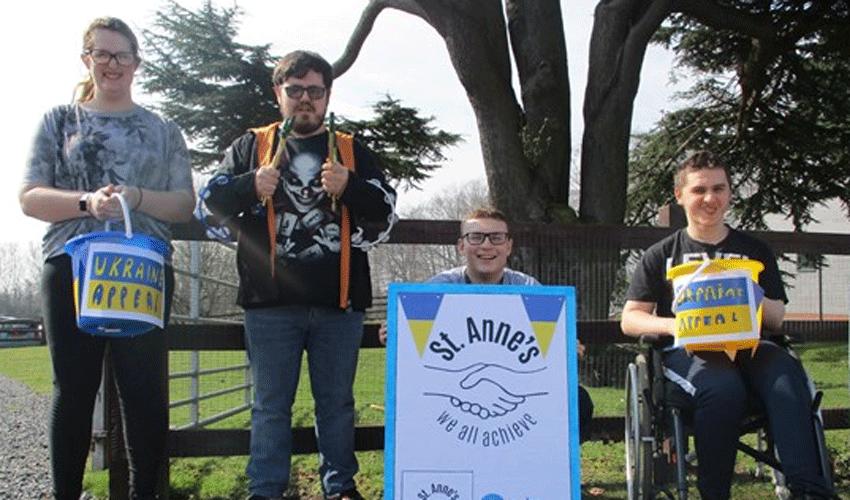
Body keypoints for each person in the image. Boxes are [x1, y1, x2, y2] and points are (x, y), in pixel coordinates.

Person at [202, 50, 396, 500]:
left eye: (314, 91)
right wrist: (249, 184)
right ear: (279, 94)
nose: (305, 100)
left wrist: (349, 186)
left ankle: (339, 488)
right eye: (295, 91)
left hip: (340, 303)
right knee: (270, 407)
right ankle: (266, 490)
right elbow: (207, 204)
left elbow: (387, 213)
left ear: (327, 95)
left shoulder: (350, 150)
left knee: (337, 405)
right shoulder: (250, 146)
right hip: (269, 303)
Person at [19, 17, 195, 500]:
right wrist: (85, 203)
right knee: (73, 393)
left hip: (141, 271)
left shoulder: (163, 130)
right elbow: (29, 197)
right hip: (71, 270)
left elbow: (183, 204)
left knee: (144, 394)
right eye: (102, 54)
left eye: (122, 55)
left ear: (136, 64)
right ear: (87, 60)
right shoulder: (59, 121)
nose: (112, 64)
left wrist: (136, 196)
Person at [620, 151, 838, 500]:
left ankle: (810, 491)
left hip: (750, 345)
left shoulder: (754, 250)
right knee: (723, 387)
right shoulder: (662, 254)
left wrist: (749, 294)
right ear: (680, 196)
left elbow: (776, 318)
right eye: (699, 190)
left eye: (719, 188)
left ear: (730, 192)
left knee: (787, 377)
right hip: (690, 351)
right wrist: (676, 326)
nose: (710, 199)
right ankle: (715, 494)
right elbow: (630, 318)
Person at [427, 207, 595, 442]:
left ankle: (551, 471)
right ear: (461, 246)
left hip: (517, 386)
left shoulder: (529, 289)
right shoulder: (435, 289)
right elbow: (413, 342)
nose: (486, 246)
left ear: (508, 246)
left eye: (496, 237)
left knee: (578, 401)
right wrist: (394, 334)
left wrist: (565, 347)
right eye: (475, 237)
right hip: (453, 387)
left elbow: (551, 344)